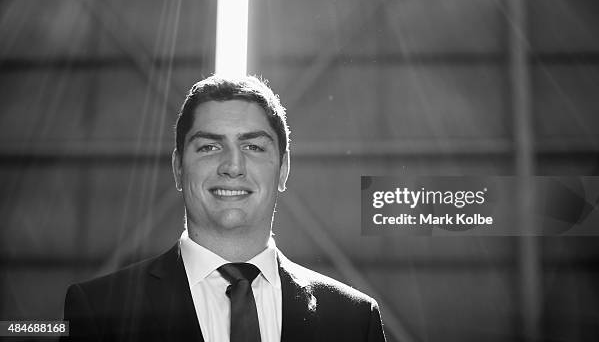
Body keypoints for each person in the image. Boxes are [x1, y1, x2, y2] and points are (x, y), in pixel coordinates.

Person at [62, 75, 386, 342]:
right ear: (178, 168)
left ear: (284, 169)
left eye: (253, 146)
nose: (232, 165)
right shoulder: (98, 311)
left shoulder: (354, 321)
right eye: (209, 147)